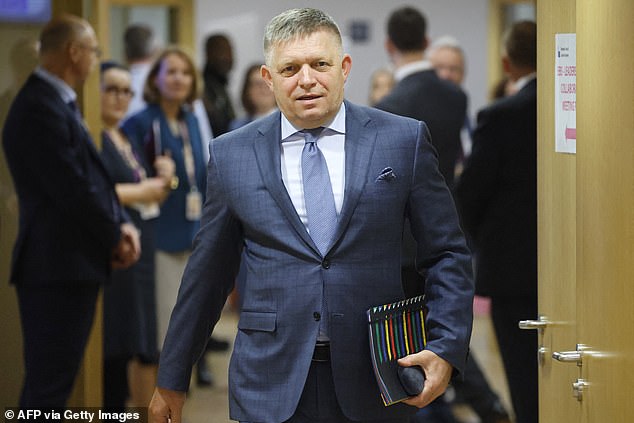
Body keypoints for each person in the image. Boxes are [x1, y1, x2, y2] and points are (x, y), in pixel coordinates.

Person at [150, 8, 473, 423]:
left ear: (344, 68)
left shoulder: (401, 140)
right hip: (269, 379)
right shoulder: (232, 154)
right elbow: (207, 275)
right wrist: (173, 376)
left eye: (320, 64)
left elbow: (447, 253)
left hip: (376, 376)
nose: (306, 80)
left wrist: (446, 345)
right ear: (269, 79)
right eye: (290, 68)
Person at [2, 14, 140, 408]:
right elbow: (73, 190)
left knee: (54, 381)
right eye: (94, 52)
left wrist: (121, 226)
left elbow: (89, 181)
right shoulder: (38, 107)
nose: (96, 60)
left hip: (67, 263)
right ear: (74, 52)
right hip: (55, 265)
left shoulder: (54, 101)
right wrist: (115, 233)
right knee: (48, 387)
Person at [454, 21, 538, 423]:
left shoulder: (501, 115)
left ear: (507, 62)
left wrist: (480, 236)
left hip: (513, 269)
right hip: (580, 269)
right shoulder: (582, 109)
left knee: (524, 377)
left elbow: (471, 193)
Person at [428, 36, 512, 423]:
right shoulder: (415, 120)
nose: (447, 75)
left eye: (454, 70)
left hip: (464, 238)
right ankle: (482, 404)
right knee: (445, 328)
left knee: (453, 325)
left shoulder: (471, 119)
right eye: (440, 68)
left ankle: (475, 402)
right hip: (427, 244)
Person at [121, 46, 212, 387]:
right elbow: (132, 178)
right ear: (155, 78)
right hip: (158, 237)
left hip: (192, 234)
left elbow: (198, 177)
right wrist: (165, 178)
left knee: (183, 328)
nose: (178, 79)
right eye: (170, 71)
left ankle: (174, 402)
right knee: (159, 333)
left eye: (185, 73)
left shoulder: (190, 120)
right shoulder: (140, 122)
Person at [99, 61, 176, 409]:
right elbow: (93, 191)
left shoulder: (123, 135)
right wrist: (143, 190)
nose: (120, 97)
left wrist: (166, 179)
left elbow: (149, 188)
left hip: (141, 248)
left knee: (138, 339)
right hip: (114, 248)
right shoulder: (93, 135)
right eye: (111, 89)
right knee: (114, 345)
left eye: (126, 91)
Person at [374, 6, 466, 189]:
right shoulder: (457, 96)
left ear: (389, 45)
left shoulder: (388, 106)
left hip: (408, 214)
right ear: (426, 42)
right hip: (447, 205)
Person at [201, 33, 236, 137]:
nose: (227, 57)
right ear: (208, 54)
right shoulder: (201, 88)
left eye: (229, 51)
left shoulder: (222, 86)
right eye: (221, 51)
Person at [228, 63, 277, 131]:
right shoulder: (238, 127)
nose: (264, 88)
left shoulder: (290, 122)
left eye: (267, 83)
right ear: (247, 91)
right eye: (257, 84)